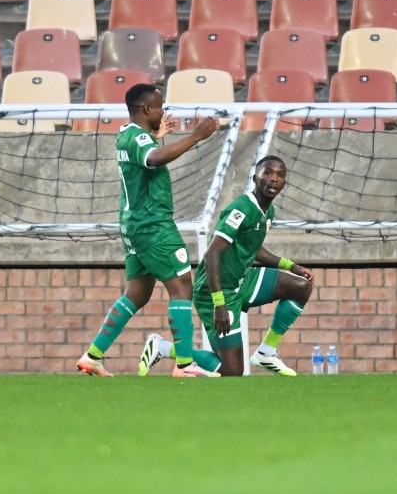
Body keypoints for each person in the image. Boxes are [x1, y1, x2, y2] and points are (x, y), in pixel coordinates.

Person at [76, 83, 221, 378]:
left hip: (133, 225)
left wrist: (156, 138)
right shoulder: (139, 137)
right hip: (153, 224)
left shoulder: (127, 134)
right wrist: (196, 135)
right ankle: (183, 364)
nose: (162, 111)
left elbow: (146, 156)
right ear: (146, 109)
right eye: (159, 106)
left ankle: (92, 356)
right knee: (182, 285)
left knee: (137, 293)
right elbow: (153, 159)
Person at [138, 155, 315, 377]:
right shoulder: (242, 209)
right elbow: (212, 254)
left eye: (280, 175)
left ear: (284, 183)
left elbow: (254, 249)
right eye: (267, 173)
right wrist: (219, 304)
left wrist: (292, 266)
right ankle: (162, 347)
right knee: (232, 371)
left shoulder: (267, 211)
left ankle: (266, 352)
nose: (274, 179)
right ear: (255, 179)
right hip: (216, 291)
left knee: (301, 286)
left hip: (244, 280)